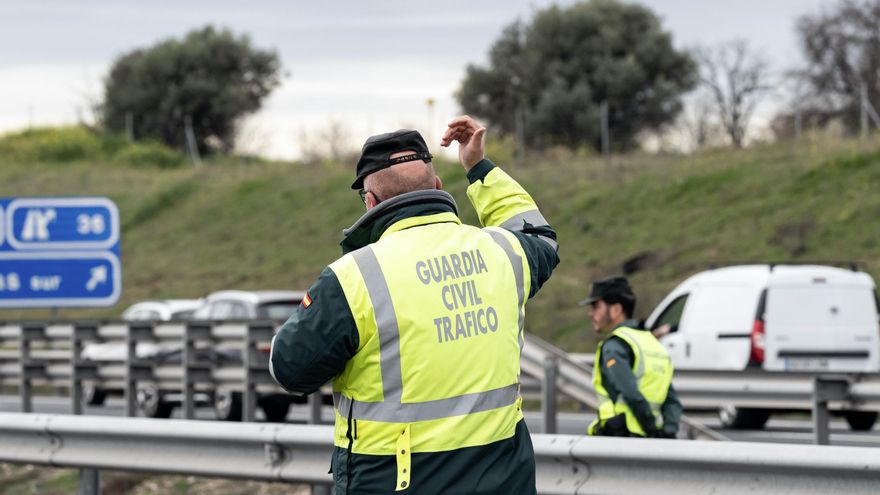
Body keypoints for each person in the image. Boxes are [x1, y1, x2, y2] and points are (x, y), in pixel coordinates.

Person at [270, 115, 559, 494]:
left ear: (370, 202)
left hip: (396, 481)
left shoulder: (354, 277)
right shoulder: (503, 253)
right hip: (502, 481)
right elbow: (538, 235)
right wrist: (479, 168)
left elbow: (290, 369)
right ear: (437, 185)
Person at [581, 276, 682, 438]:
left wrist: (650, 429)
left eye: (596, 306)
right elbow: (672, 401)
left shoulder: (614, 346)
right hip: (648, 441)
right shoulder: (653, 344)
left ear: (615, 310)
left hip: (620, 439)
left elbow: (631, 394)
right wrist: (667, 432)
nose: (590, 313)